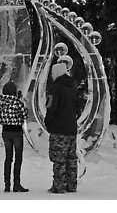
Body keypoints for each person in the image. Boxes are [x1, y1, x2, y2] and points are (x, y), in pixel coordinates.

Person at [44, 62, 78, 193]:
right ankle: (71, 185)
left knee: (59, 158)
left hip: (58, 128)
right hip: (71, 128)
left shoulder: (55, 88)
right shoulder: (73, 86)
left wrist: (48, 121)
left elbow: (51, 107)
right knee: (71, 158)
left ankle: (58, 186)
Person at [0, 81, 29, 192]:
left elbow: (1, 117)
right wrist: (22, 102)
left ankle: (7, 184)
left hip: (5, 131)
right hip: (17, 132)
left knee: (8, 158)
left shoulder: (0, 102)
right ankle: (16, 184)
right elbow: (25, 115)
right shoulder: (16, 101)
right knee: (18, 158)